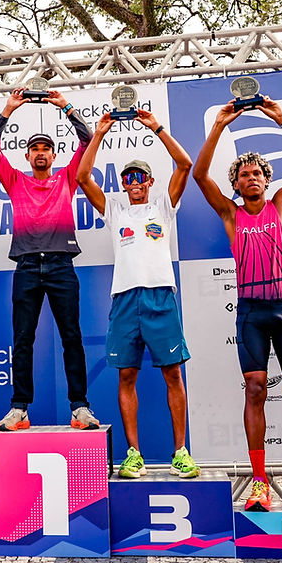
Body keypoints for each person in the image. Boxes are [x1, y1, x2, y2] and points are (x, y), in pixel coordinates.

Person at [191, 97, 282, 512]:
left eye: (257, 173)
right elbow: (199, 175)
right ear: (236, 185)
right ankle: (259, 485)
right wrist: (219, 125)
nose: (251, 177)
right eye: (244, 174)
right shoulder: (230, 214)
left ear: (267, 180)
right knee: (255, 389)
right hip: (251, 312)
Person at [76, 110, 199, 478]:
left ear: (149, 181)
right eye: (128, 178)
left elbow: (185, 163)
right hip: (126, 300)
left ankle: (181, 452)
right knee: (126, 376)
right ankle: (134, 454)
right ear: (123, 184)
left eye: (140, 177)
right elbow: (82, 177)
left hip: (160, 297)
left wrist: (156, 127)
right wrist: (99, 133)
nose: (134, 183)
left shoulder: (163, 206)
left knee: (173, 374)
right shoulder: (115, 211)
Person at [0, 87, 99, 432]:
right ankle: (19, 409)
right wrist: (8, 110)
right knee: (23, 339)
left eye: (45, 148)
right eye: (35, 149)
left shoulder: (67, 178)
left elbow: (88, 140)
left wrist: (65, 106)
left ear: (53, 154)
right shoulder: (15, 181)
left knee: (71, 337)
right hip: (27, 266)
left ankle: (80, 407)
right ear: (28, 155)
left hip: (62, 264)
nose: (40, 153)